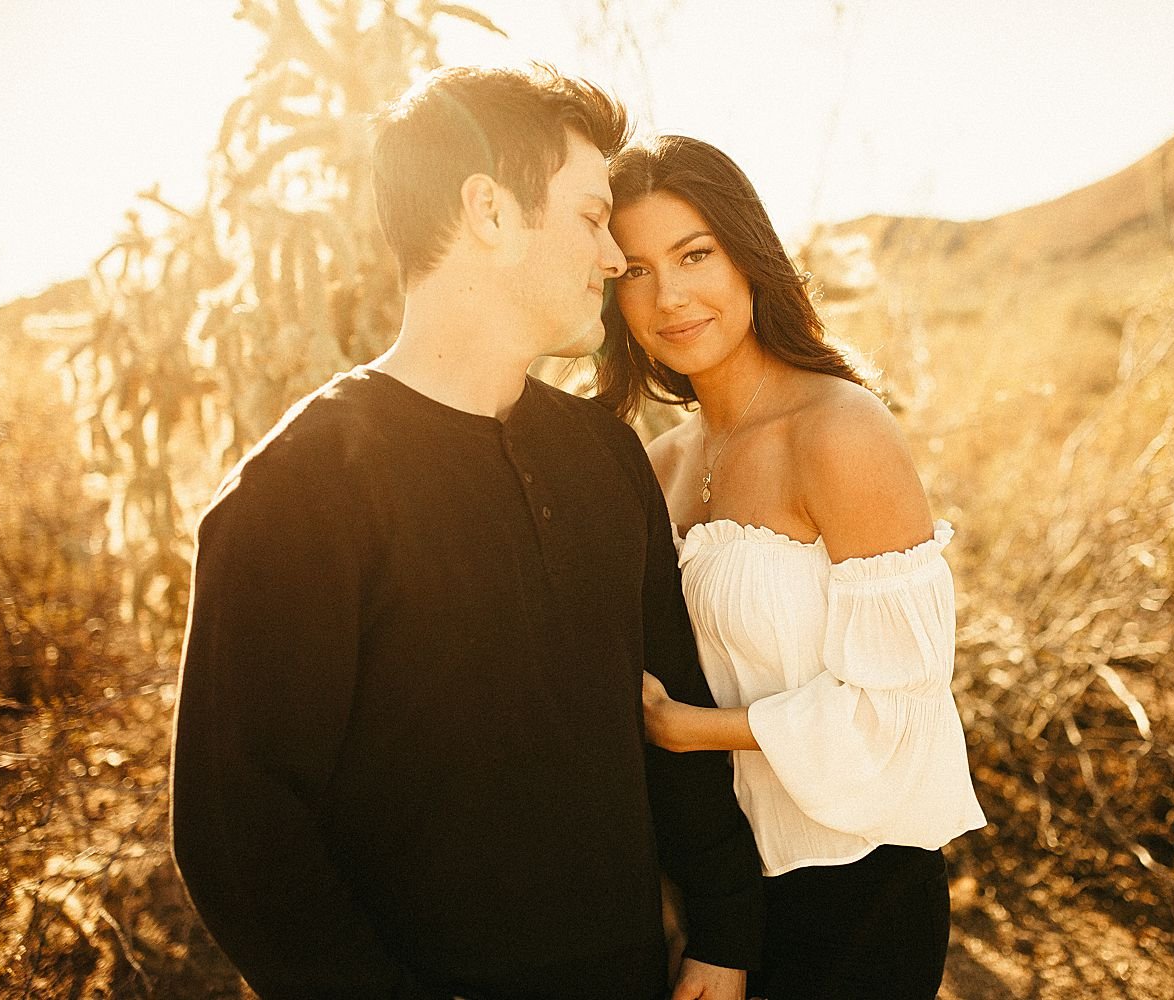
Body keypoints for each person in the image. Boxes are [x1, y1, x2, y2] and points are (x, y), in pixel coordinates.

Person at [170, 69, 764, 1000]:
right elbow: (239, 829)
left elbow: (667, 706)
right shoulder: (294, 492)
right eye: (590, 216)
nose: (614, 259)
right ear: (489, 209)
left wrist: (726, 929)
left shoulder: (606, 457)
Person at [594, 135, 987, 1000]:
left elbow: (900, 704)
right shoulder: (658, 466)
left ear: (748, 255)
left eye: (695, 253)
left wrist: (695, 728)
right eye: (635, 269)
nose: (670, 296)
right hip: (724, 888)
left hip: (858, 881)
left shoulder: (839, 431)